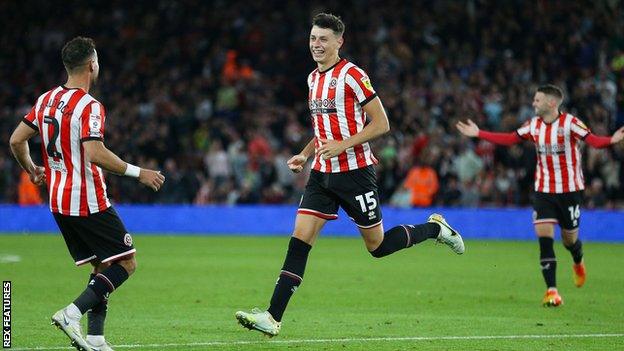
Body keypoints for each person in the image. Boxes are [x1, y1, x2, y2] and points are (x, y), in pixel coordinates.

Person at [234, 13, 464, 337]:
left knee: (378, 247)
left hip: (356, 173)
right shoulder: (313, 79)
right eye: (313, 38)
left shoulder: (353, 76)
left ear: (339, 42)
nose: (316, 44)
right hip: (322, 175)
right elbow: (323, 130)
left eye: (323, 39)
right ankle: (272, 317)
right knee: (299, 240)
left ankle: (434, 229)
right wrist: (305, 153)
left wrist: (343, 146)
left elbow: (381, 123)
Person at [9, 36, 165, 350]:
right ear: (92, 65)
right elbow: (95, 153)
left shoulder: (46, 100)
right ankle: (72, 313)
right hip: (87, 199)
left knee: (103, 265)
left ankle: (95, 338)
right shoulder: (89, 106)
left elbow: (16, 140)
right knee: (127, 262)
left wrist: (32, 169)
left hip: (57, 201)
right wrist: (140, 173)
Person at [456, 84, 624, 307]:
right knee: (544, 238)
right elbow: (510, 139)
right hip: (544, 190)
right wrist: (479, 134)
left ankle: (578, 259)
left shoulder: (570, 123)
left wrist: (611, 140)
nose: (533, 103)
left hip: (570, 191)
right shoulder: (533, 126)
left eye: (537, 100)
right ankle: (552, 291)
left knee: (569, 240)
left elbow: (591, 139)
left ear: (551, 103)